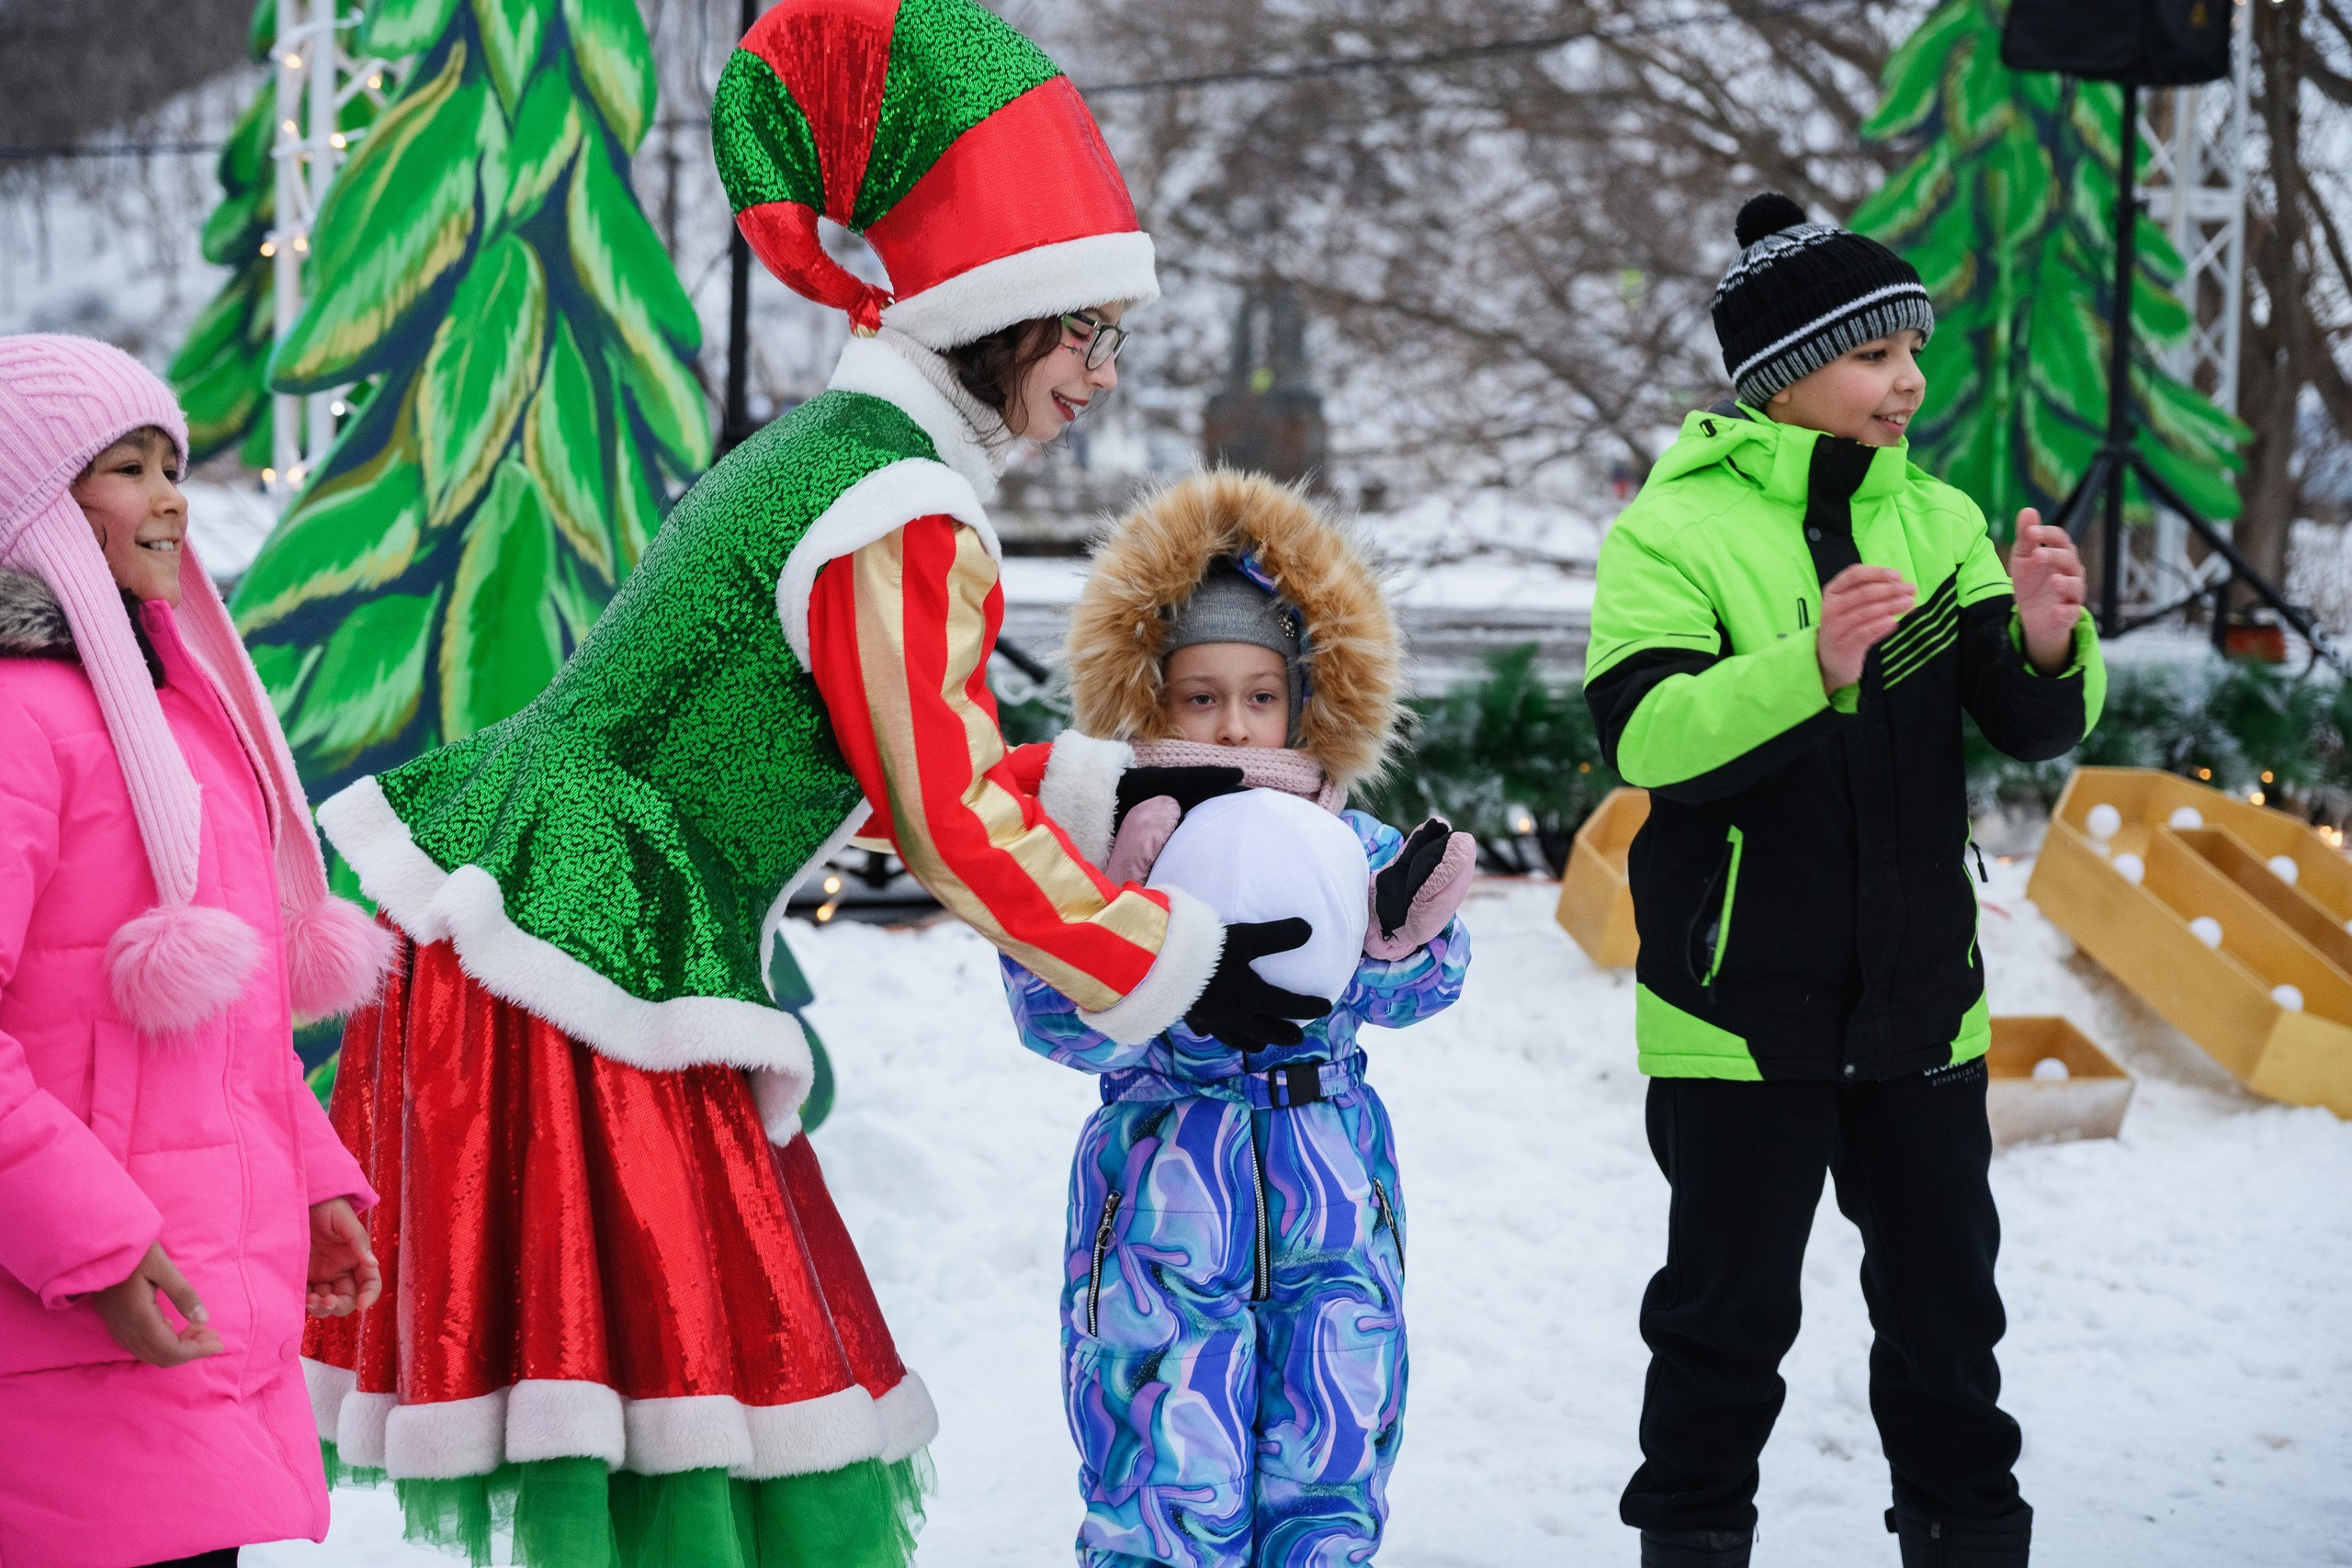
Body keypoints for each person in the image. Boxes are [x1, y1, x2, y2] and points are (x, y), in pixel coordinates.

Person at [299, 4, 1321, 1563]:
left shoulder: (843, 456)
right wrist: (1171, 966)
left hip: (574, 926)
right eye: (1085, 333)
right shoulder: (899, 505)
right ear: (997, 315)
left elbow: (910, 747)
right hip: (595, 944)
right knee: (698, 1373)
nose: (1103, 375)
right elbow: (945, 814)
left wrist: (1133, 780)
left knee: (688, 1383)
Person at [1584, 193, 2102, 1568]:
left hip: (1923, 1004)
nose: (1910, 381)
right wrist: (1805, 672)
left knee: (1948, 1321)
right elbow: (1646, 738)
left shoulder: (1939, 520)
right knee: (1722, 1321)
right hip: (1737, 1012)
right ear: (1783, 376)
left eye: (1913, 352)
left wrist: (2049, 643)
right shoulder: (1672, 532)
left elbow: (2028, 721)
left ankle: (1969, 1531)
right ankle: (1692, 1535)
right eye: (1877, 355)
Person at [995, 470, 1477, 1567]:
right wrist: (1122, 942)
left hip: (1332, 1189)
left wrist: (1394, 940)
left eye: (1261, 695)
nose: (1233, 720)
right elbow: (1058, 1025)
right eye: (1200, 695)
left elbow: (1422, 993)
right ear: (1147, 700)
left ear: (1306, 701)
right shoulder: (1108, 850)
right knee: (1165, 1460)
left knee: (1332, 1448)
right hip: (1165, 1189)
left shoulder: (1341, 841)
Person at [0, 333, 390, 1568]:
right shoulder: (20, 721)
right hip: (66, 1318)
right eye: (126, 467)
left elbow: (222, 1023)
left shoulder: (173, 718)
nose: (172, 494)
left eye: (172, 461)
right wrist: (96, 1244)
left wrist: (313, 1179)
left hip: (184, 1304)